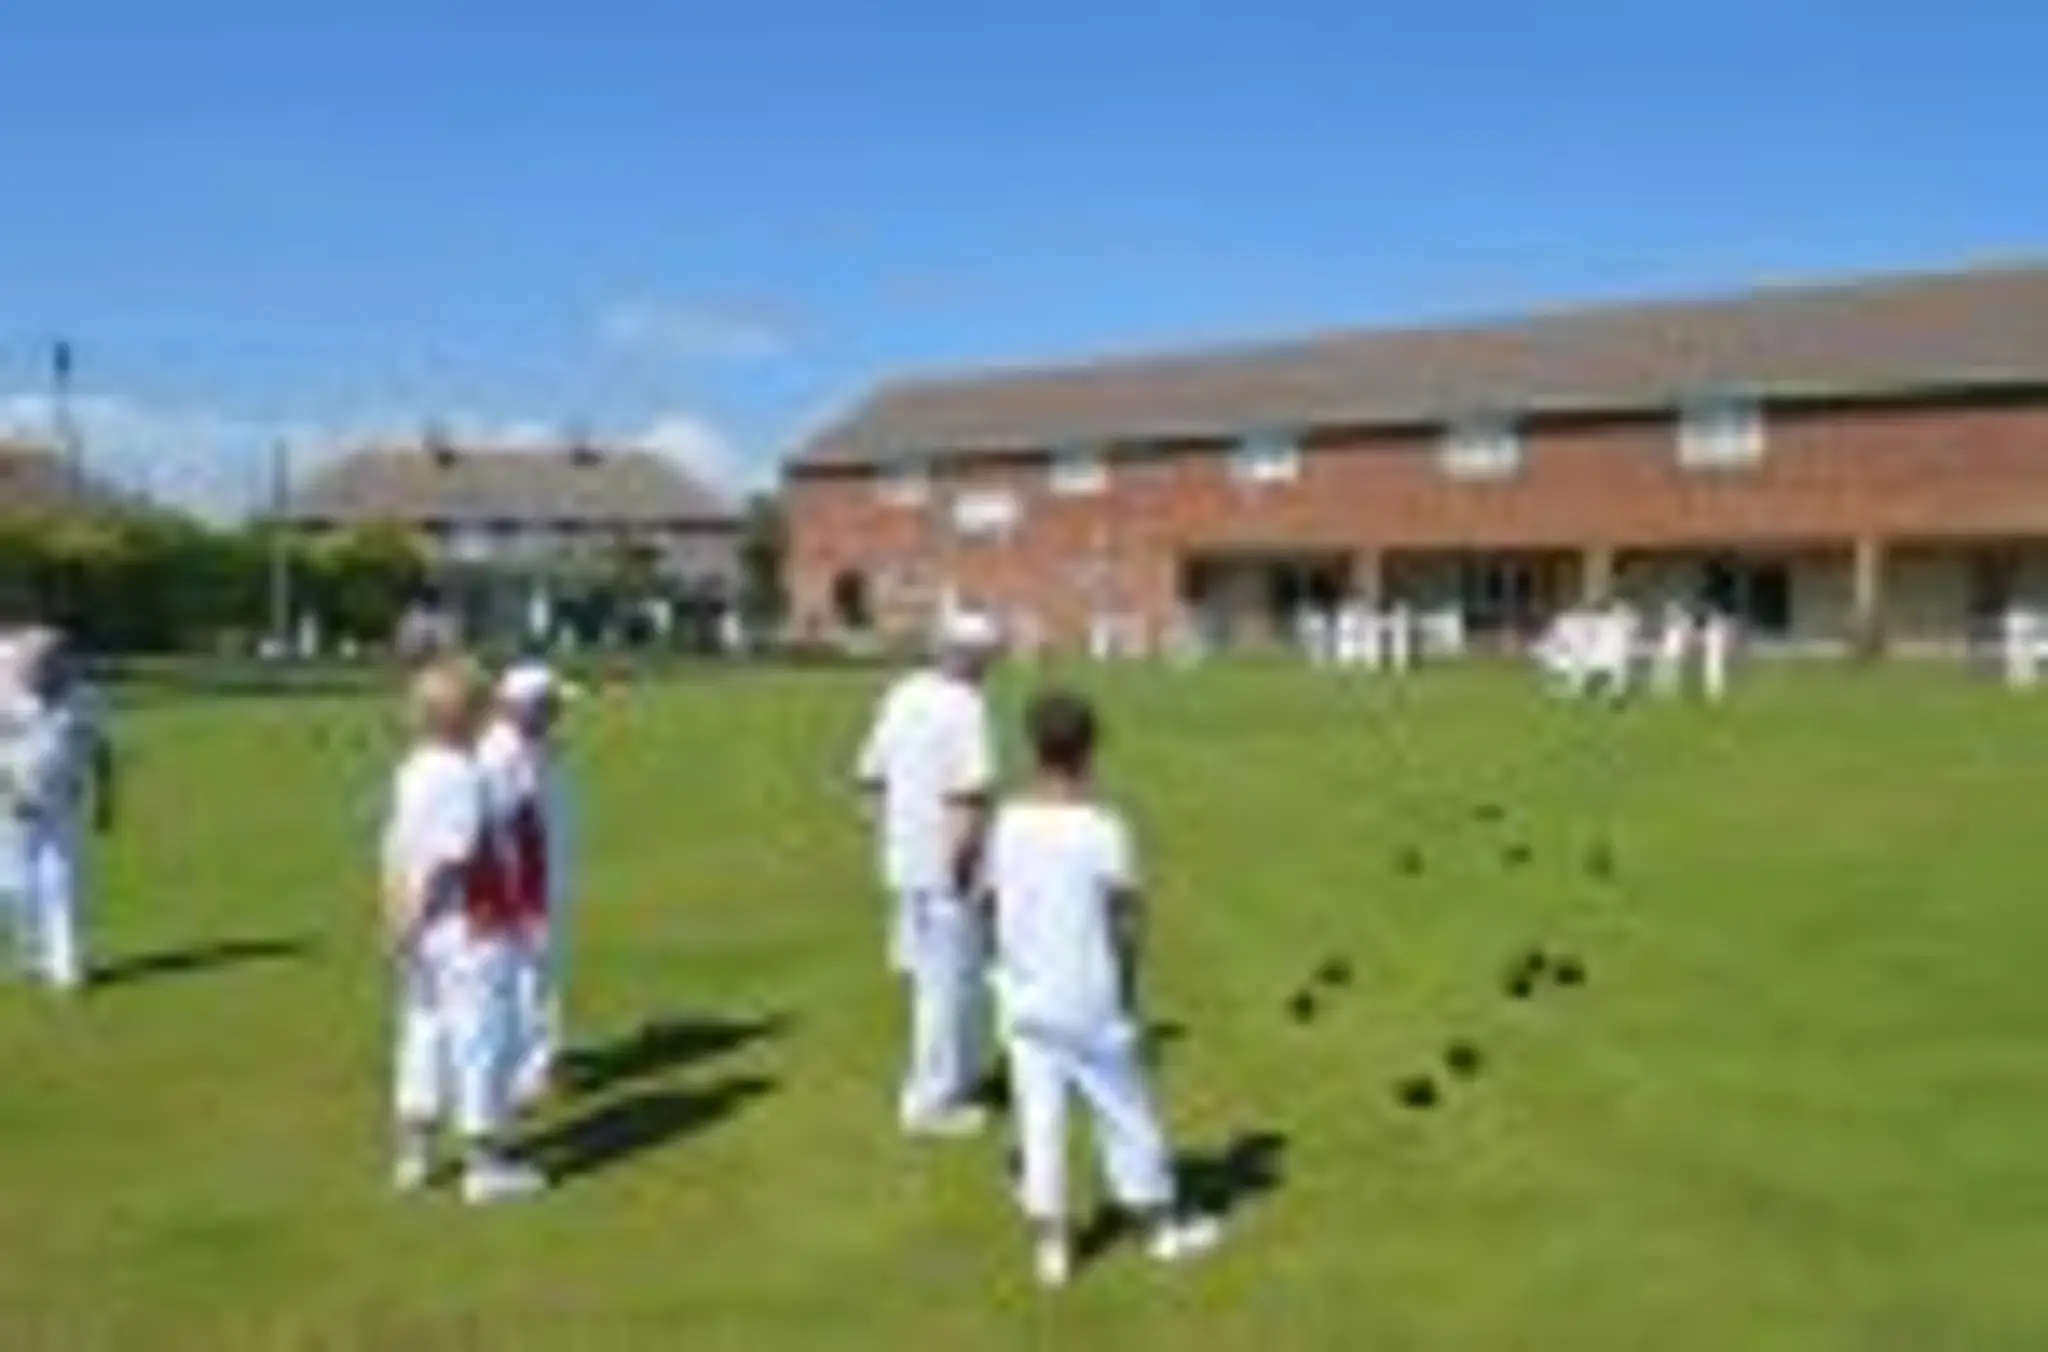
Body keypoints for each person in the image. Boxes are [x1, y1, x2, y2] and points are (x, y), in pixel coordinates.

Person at [985, 690, 1222, 1289]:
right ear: (1088, 750)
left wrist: (1005, 963)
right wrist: (1128, 993)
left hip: (1024, 995)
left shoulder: (1007, 822)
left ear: (1035, 748)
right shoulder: (1103, 829)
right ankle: (1161, 1231)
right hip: (1087, 997)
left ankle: (1054, 1249)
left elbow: (988, 904)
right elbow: (1125, 921)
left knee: (1039, 1119)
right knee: (1127, 1114)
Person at [383, 655, 544, 1204]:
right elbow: (449, 862)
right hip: (468, 926)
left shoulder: (412, 768)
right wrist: (413, 920)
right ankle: (484, 1165)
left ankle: (415, 1155)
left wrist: (398, 922)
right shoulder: (459, 774)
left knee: (423, 1031)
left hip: (425, 928)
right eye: (481, 708)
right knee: (480, 1038)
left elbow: (399, 855)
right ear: (465, 716)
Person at [854, 610, 1003, 1137]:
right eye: (989, 657)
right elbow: (970, 794)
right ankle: (928, 1103)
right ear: (974, 657)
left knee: (937, 982)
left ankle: (958, 1079)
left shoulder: (901, 693)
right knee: (945, 988)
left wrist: (891, 841)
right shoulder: (966, 706)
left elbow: (869, 781)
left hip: (904, 865)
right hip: (947, 870)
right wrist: (961, 869)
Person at [477, 660, 580, 1108]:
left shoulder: (536, 746)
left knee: (532, 977)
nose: (560, 712)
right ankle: (530, 1073)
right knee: (529, 977)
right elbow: (499, 829)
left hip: (542, 882)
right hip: (524, 888)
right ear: (526, 708)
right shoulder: (502, 757)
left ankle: (526, 1065)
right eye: (552, 705)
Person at [1, 628, 115, 995]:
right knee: (17, 887)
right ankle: (32, 955)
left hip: (63, 805)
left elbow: (101, 751)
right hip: (10, 808)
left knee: (62, 883)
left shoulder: (83, 699)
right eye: (32, 667)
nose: (40, 674)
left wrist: (104, 800)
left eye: (49, 666)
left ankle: (67, 966)